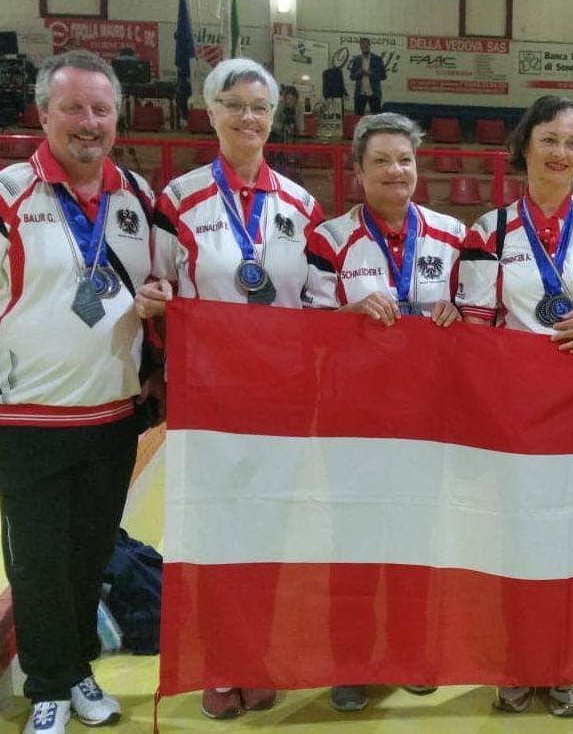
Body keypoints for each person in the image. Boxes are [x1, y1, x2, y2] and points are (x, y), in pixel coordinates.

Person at [133, 57, 329, 720]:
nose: (248, 117)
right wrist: (158, 300)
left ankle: (258, 654)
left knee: (269, 530)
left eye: (260, 107)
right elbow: (156, 287)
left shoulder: (302, 205)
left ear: (274, 119)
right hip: (208, 399)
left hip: (278, 399)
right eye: (234, 104)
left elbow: (317, 302)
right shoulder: (178, 199)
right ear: (210, 112)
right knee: (213, 530)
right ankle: (219, 661)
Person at [0, 49, 158, 734]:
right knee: (36, 558)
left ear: (116, 116)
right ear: (43, 114)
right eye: (73, 108)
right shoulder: (4, 194)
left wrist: (161, 297)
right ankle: (49, 685)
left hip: (112, 415)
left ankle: (80, 668)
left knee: (90, 552)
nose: (87, 122)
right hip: (27, 415)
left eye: (100, 109)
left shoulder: (138, 197)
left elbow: (169, 284)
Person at [457, 95, 573, 718]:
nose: (561, 153)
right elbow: (476, 334)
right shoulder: (488, 232)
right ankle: (514, 660)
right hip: (516, 422)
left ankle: (565, 663)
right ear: (525, 145)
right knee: (515, 542)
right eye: (550, 140)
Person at [312, 112, 466, 712]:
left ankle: (408, 650)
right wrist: (346, 316)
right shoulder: (328, 239)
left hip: (427, 421)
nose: (396, 170)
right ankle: (350, 661)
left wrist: (455, 314)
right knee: (352, 543)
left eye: (404, 159)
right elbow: (305, 329)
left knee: (417, 541)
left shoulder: (454, 237)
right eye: (381, 161)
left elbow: (476, 320)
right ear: (358, 171)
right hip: (351, 420)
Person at [349, 37, 387, 116]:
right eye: (362, 47)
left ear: (370, 45)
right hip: (360, 93)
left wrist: (370, 73)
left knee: (376, 117)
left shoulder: (377, 59)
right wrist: (359, 72)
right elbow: (352, 77)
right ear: (360, 47)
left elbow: (383, 76)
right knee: (358, 117)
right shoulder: (356, 59)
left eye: (366, 46)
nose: (364, 48)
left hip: (374, 93)